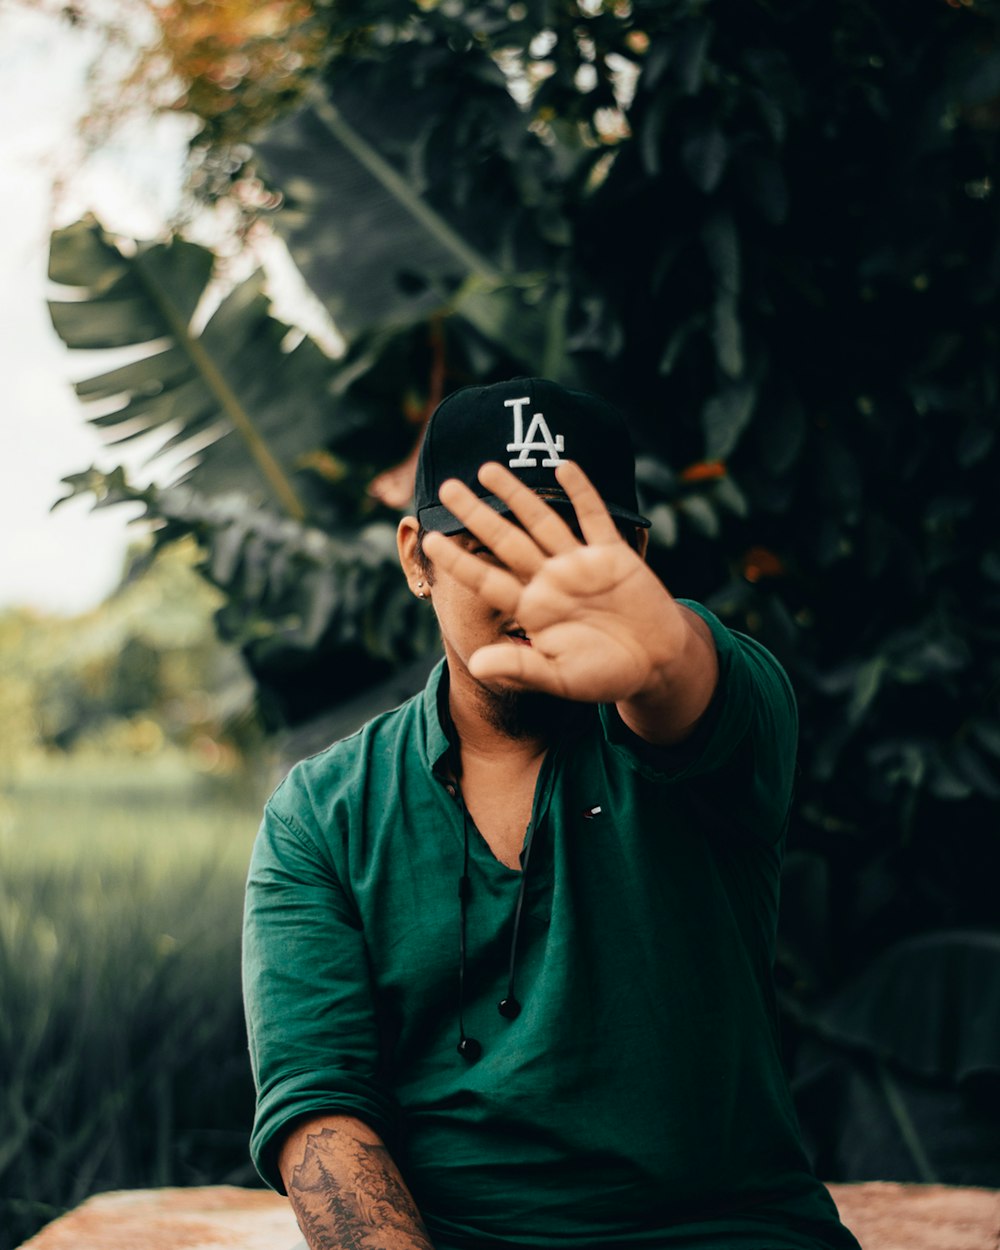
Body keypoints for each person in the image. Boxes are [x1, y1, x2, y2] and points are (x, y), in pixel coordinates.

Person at [242, 377, 861, 1250]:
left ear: (635, 556)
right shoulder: (322, 813)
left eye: (569, 548)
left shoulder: (719, 712)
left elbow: (689, 694)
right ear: (417, 557)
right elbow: (322, 1116)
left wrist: (658, 654)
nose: (531, 587)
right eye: (487, 546)